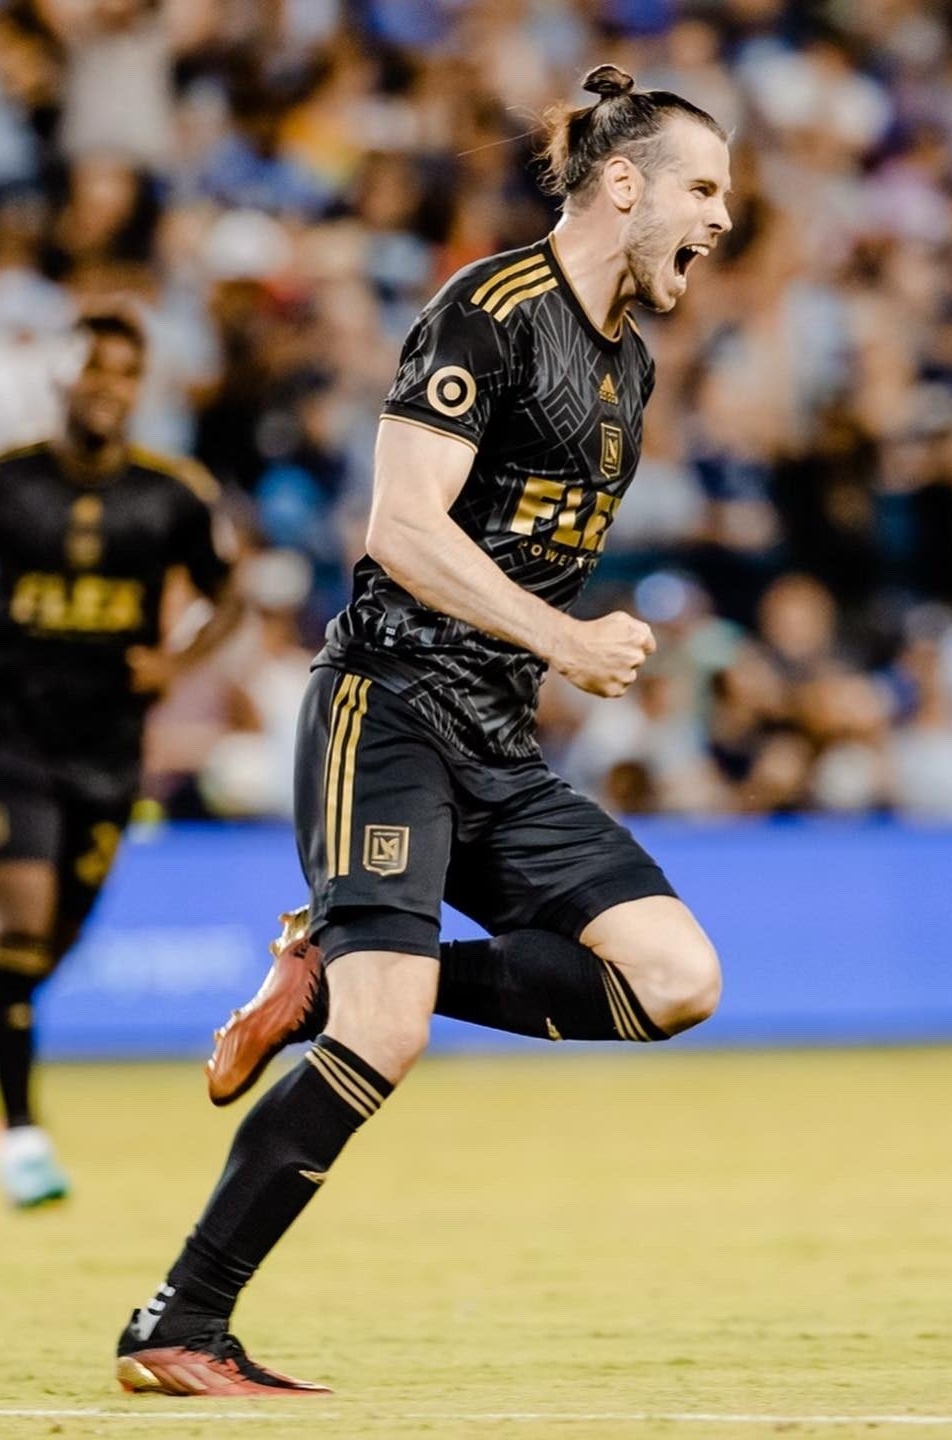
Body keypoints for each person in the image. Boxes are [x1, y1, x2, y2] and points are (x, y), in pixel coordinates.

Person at [116, 64, 732, 1397]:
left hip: (497, 740)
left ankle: (330, 974)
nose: (720, 216)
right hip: (386, 710)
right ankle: (181, 1323)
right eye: (702, 187)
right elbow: (397, 527)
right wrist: (568, 639)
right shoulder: (489, 308)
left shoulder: (630, 356)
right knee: (385, 1038)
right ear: (621, 184)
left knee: (677, 977)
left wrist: (545, 655)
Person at [0, 305, 240, 1207]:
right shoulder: (11, 484)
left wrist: (175, 659)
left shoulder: (169, 494)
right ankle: (22, 1136)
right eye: (91, 369)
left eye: (123, 374)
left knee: (43, 950)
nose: (106, 388)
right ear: (59, 376)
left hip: (107, 755)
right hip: (13, 741)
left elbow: (228, 593)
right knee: (20, 922)